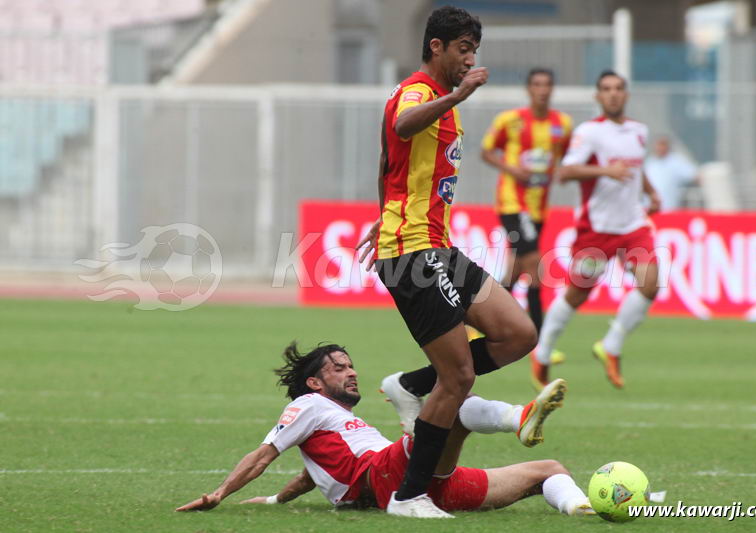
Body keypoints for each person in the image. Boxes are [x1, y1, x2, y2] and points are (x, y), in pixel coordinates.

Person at [355, 6, 537, 517]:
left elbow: (388, 160)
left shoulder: (440, 101)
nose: (470, 59)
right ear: (435, 46)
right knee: (458, 378)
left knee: (518, 333)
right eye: (463, 49)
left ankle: (410, 386)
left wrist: (382, 210)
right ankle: (409, 496)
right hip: (411, 252)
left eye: (474, 50)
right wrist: (457, 96)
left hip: (438, 246)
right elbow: (403, 124)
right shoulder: (418, 92)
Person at [175, 343, 594, 518]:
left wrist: (274, 500)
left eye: (351, 365)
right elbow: (263, 456)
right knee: (451, 398)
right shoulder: (308, 405)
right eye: (338, 368)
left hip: (420, 483)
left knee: (548, 470)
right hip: (385, 475)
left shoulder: (337, 424)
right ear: (314, 383)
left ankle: (585, 508)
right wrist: (219, 494)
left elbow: (312, 475)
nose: (351, 372)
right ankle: (517, 418)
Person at [532, 70, 662, 390]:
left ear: (626, 94)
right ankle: (542, 353)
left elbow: (635, 167)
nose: (613, 94)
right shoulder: (589, 132)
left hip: (632, 224)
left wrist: (651, 192)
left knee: (650, 284)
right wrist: (605, 170)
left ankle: (611, 346)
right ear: (598, 96)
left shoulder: (639, 131)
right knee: (578, 292)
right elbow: (565, 172)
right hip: (597, 229)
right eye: (606, 89)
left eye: (618, 88)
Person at [480, 67, 573, 385]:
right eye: (537, 84)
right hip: (512, 203)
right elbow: (486, 151)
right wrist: (512, 170)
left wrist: (560, 172)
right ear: (528, 89)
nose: (542, 90)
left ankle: (478, 321)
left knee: (516, 269)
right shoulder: (511, 121)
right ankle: (540, 345)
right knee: (534, 266)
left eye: (547, 84)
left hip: (539, 207)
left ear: (552, 89)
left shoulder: (562, 124)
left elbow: (565, 157)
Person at [644, 135, 698, 212]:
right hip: (650, 208)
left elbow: (694, 175)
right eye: (658, 145)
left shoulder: (677, 161)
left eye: (663, 144)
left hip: (669, 208)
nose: (660, 148)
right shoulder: (650, 162)